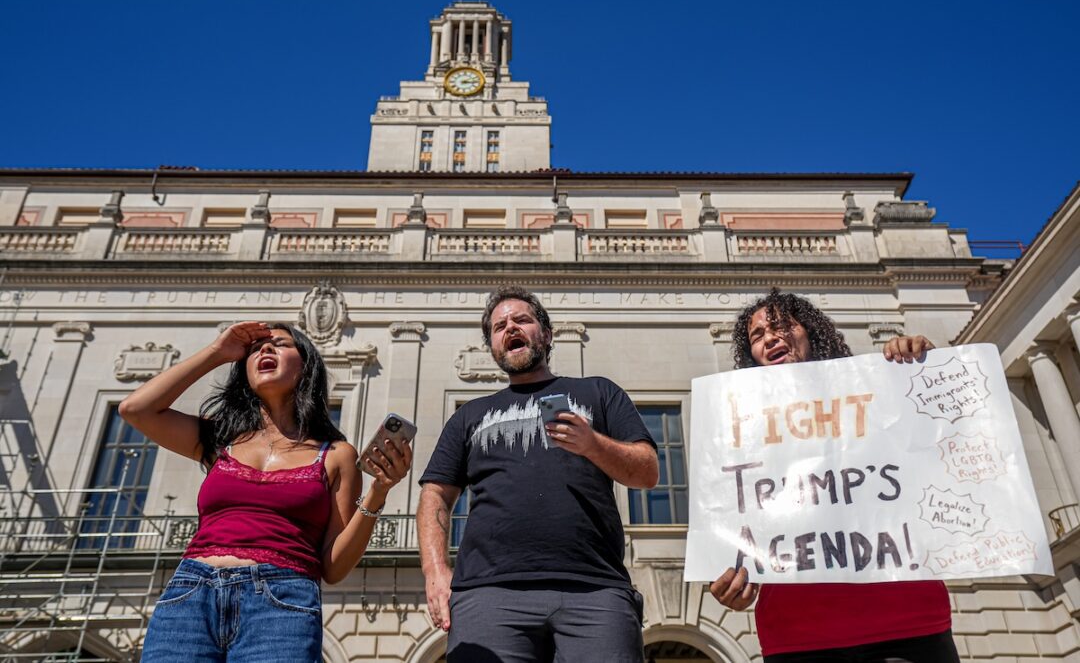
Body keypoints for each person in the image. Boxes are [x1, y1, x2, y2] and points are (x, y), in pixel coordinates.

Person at [120, 321, 411, 662]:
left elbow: (333, 567)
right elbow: (135, 409)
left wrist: (379, 492)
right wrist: (217, 352)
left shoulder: (336, 455)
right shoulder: (220, 439)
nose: (265, 350)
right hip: (191, 593)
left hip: (282, 600)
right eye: (255, 349)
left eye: (279, 345)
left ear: (306, 366)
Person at [708, 290, 959, 663]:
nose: (770, 338)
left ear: (810, 331)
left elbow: (942, 443)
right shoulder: (738, 429)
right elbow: (738, 519)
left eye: (780, 326)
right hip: (798, 635)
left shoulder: (879, 389)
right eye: (757, 335)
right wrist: (732, 581)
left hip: (907, 622)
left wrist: (923, 368)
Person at [418, 286, 660, 663]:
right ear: (493, 346)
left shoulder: (599, 392)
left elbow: (647, 472)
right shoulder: (469, 415)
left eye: (522, 320)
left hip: (595, 590)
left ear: (546, 334)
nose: (510, 328)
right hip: (488, 593)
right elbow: (435, 494)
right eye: (499, 326)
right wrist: (435, 572)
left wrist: (592, 443)